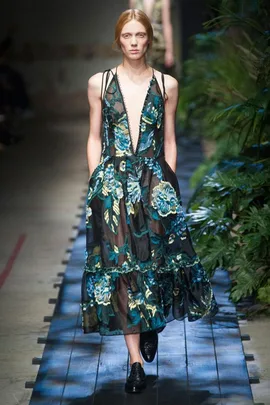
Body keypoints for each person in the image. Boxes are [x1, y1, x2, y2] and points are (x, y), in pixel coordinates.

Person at [81, 8, 218, 394]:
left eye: (141, 35)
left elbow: (170, 139)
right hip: (112, 187)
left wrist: (167, 184)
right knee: (122, 267)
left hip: (154, 181)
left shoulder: (167, 85)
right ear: (118, 40)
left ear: (150, 39)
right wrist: (96, 181)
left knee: (155, 262)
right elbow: (94, 136)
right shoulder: (99, 84)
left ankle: (151, 325)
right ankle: (135, 362)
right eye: (128, 36)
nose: (135, 42)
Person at [129, 0, 175, 74]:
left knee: (160, 76)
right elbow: (131, 23)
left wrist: (169, 52)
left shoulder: (163, 1)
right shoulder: (134, 1)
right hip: (140, 44)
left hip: (159, 45)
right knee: (141, 75)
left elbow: (166, 24)